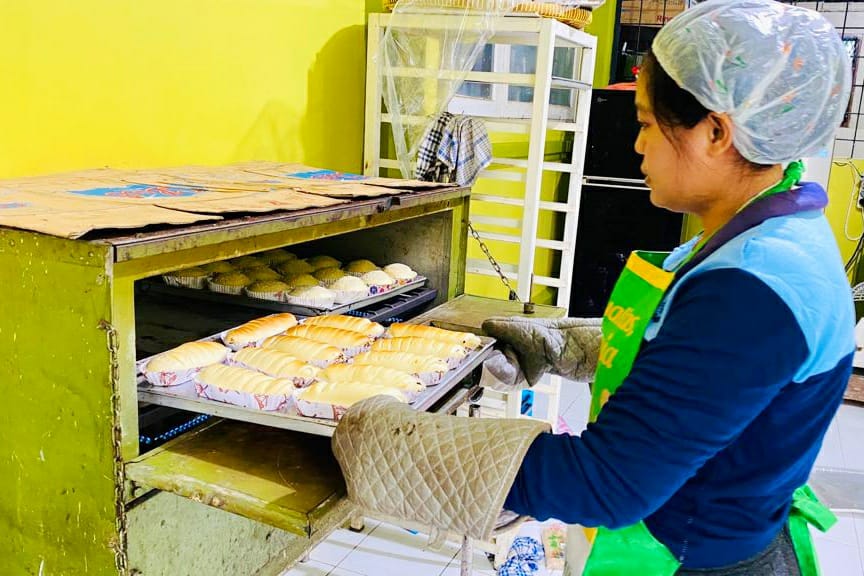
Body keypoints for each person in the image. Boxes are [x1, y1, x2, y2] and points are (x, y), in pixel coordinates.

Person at [332, 2, 854, 575]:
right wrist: (565, 346)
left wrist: (390, 441)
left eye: (647, 124)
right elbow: (700, 359)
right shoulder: (769, 231)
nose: (637, 146)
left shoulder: (755, 285)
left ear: (715, 132)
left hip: (702, 558)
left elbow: (606, 481)